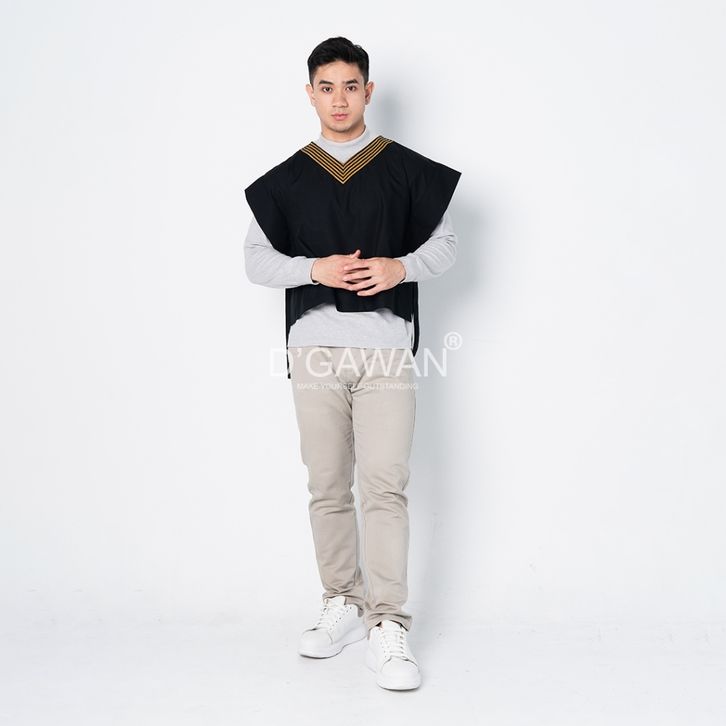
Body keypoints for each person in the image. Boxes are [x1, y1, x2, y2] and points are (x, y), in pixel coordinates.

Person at [243, 36, 461, 691]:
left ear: (369, 91)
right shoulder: (286, 180)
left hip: (386, 348)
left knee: (385, 485)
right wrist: (314, 268)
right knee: (328, 484)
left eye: (350, 86)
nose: (339, 99)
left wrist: (400, 267)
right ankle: (341, 600)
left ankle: (387, 622)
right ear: (310, 94)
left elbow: (446, 245)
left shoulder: (406, 171)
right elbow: (256, 261)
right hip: (314, 349)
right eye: (326, 87)